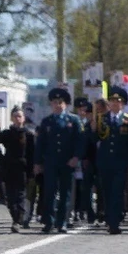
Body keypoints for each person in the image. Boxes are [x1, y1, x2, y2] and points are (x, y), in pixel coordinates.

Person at [34, 88, 84, 233]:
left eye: (60, 102)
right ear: (51, 104)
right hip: (50, 163)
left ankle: (62, 222)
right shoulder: (46, 122)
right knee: (49, 193)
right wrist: (37, 163)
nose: (58, 105)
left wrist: (76, 157)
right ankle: (48, 221)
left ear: (65, 104)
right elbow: (40, 144)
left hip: (67, 163)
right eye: (55, 102)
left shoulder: (73, 121)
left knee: (65, 194)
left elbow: (80, 141)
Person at [95, 87, 128, 234]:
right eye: (112, 101)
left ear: (123, 104)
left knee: (118, 192)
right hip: (105, 161)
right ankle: (110, 218)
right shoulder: (101, 119)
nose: (114, 104)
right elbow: (95, 139)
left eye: (117, 101)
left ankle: (115, 221)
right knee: (106, 192)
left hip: (121, 162)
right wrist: (92, 129)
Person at [0, 107, 35, 233]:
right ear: (11, 118)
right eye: (15, 116)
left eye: (20, 116)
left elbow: (32, 154)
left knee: (20, 195)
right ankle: (15, 217)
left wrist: (31, 171)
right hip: (9, 167)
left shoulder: (28, 134)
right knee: (9, 197)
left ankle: (17, 221)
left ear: (24, 118)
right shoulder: (8, 133)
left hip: (23, 168)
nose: (18, 118)